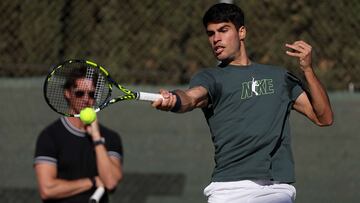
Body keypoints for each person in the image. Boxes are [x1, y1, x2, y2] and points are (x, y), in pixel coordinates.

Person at [152, 3, 333, 203]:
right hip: (229, 191)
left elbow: (323, 118)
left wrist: (307, 69)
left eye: (223, 30)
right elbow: (191, 97)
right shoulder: (211, 78)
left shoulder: (279, 77)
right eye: (210, 34)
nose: (216, 39)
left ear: (242, 32)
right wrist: (174, 100)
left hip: (277, 190)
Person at [34, 66, 123, 203]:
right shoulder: (50, 136)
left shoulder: (111, 138)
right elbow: (47, 190)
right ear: (68, 93)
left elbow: (110, 183)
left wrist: (97, 139)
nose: (86, 99)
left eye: (92, 94)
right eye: (80, 93)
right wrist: (92, 182)